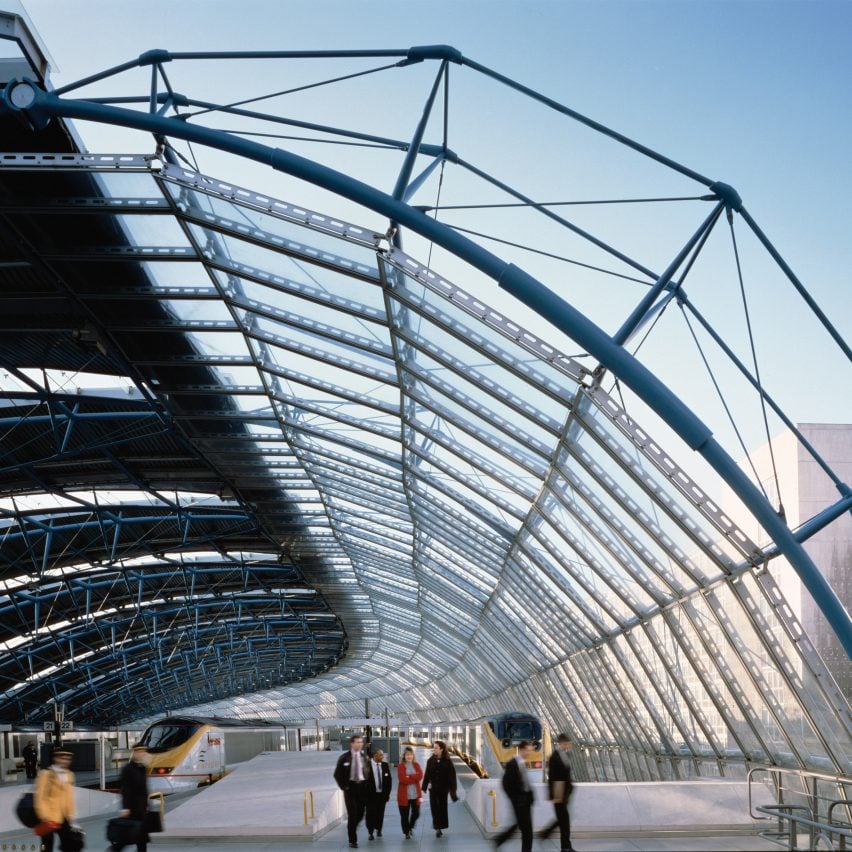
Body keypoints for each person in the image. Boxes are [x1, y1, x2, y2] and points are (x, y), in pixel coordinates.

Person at [494, 740, 535, 852]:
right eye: (528, 750)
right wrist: (515, 799)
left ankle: (499, 840)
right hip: (520, 802)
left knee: (520, 826)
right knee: (527, 830)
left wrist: (530, 797)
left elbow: (525, 782)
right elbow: (505, 783)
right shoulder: (512, 764)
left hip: (525, 801)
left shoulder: (521, 763)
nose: (529, 753)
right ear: (521, 750)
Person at [33, 748, 77, 852]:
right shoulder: (45, 774)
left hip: (64, 817)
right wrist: (44, 816)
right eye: (62, 758)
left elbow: (69, 796)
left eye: (68, 758)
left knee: (69, 845)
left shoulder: (69, 774)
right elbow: (40, 797)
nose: (65, 761)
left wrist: (71, 815)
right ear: (55, 758)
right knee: (47, 846)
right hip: (48, 817)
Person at [112, 742, 152, 851]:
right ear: (134, 753)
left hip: (142, 810)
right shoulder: (127, 769)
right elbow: (125, 790)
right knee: (125, 840)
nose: (142, 754)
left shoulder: (143, 768)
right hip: (132, 809)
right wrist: (125, 808)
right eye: (139, 751)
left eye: (143, 751)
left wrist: (147, 805)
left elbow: (144, 789)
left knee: (142, 841)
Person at [538, 733, 575, 852]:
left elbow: (566, 775)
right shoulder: (554, 757)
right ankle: (565, 847)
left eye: (569, 743)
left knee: (563, 820)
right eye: (566, 743)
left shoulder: (566, 755)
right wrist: (555, 795)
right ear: (561, 743)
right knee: (564, 821)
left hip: (565, 793)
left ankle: (548, 835)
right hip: (559, 794)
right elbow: (553, 778)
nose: (568, 745)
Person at [333, 734, 369, 849]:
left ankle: (352, 826)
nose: (360, 744)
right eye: (357, 742)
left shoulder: (364, 757)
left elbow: (368, 773)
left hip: (362, 788)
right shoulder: (344, 758)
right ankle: (353, 840)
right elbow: (337, 774)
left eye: (361, 742)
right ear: (352, 744)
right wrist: (344, 787)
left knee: (361, 813)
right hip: (350, 789)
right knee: (352, 815)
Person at [421, 740, 457, 838]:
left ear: (441, 749)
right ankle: (437, 828)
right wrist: (424, 787)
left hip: (443, 789)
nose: (434, 749)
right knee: (434, 808)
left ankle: (440, 826)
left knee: (442, 808)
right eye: (434, 747)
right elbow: (427, 774)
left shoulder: (448, 762)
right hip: (433, 789)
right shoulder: (430, 761)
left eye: (436, 748)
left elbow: (452, 777)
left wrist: (453, 791)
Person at [365, 747, 392, 840]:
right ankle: (370, 832)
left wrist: (387, 794)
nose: (382, 756)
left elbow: (389, 781)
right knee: (370, 814)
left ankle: (379, 829)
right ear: (375, 755)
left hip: (382, 795)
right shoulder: (367, 765)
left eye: (382, 755)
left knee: (380, 813)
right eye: (381, 755)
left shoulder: (384, 765)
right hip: (370, 796)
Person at [396, 746, 423, 840]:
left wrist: (409, 777)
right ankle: (406, 832)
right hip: (404, 796)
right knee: (404, 816)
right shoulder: (401, 766)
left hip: (416, 795)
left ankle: (410, 827)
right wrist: (414, 778)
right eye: (407, 754)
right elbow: (402, 779)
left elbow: (420, 776)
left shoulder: (416, 765)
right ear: (404, 756)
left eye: (411, 754)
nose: (409, 756)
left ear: (413, 755)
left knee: (416, 813)